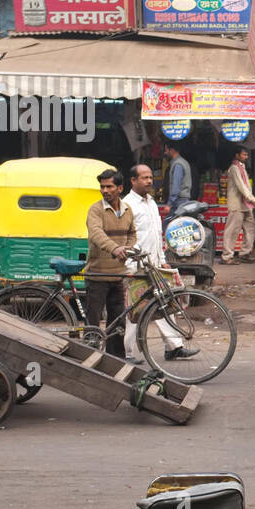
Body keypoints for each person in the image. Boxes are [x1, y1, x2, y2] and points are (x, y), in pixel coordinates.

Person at [124, 164, 196, 361]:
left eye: (150, 177)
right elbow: (125, 238)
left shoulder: (152, 203)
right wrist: (131, 264)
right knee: (134, 311)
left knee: (165, 302)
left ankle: (174, 346)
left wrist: (162, 260)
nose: (149, 181)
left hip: (154, 264)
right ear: (133, 180)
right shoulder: (127, 205)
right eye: (144, 178)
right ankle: (126, 352)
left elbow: (156, 235)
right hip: (136, 267)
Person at [85, 169, 135, 360]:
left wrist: (128, 248)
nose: (105, 190)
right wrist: (115, 249)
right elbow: (96, 234)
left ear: (120, 188)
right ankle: (89, 358)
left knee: (117, 323)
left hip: (118, 275)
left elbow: (132, 233)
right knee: (93, 323)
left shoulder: (128, 210)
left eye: (109, 186)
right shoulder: (96, 209)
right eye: (102, 186)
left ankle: (115, 360)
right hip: (97, 274)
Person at [223, 146, 255, 263]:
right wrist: (253, 200)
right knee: (232, 230)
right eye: (244, 154)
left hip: (246, 205)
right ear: (237, 155)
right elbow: (241, 186)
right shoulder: (234, 168)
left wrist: (251, 200)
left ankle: (245, 253)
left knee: (250, 228)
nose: (246, 156)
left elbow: (245, 187)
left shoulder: (242, 167)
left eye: (247, 154)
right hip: (237, 204)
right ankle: (227, 256)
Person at [164, 141, 192, 210]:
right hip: (183, 201)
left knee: (169, 221)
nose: (165, 153)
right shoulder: (183, 162)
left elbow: (176, 186)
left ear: (172, 150)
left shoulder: (178, 165)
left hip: (178, 202)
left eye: (166, 150)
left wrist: (169, 204)